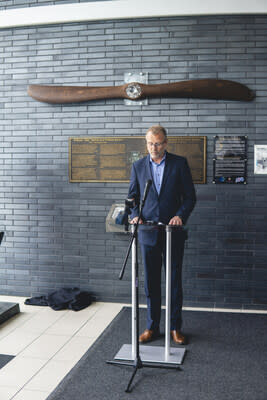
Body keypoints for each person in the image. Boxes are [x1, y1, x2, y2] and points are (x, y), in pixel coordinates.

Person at [127, 125, 196, 344]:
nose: (153, 147)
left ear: (166, 143)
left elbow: (189, 197)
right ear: (145, 143)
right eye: (150, 143)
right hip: (147, 232)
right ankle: (152, 326)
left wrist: (180, 216)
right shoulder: (138, 166)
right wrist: (134, 214)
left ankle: (175, 327)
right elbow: (132, 198)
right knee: (151, 282)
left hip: (172, 232)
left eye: (157, 143)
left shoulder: (179, 163)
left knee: (173, 281)